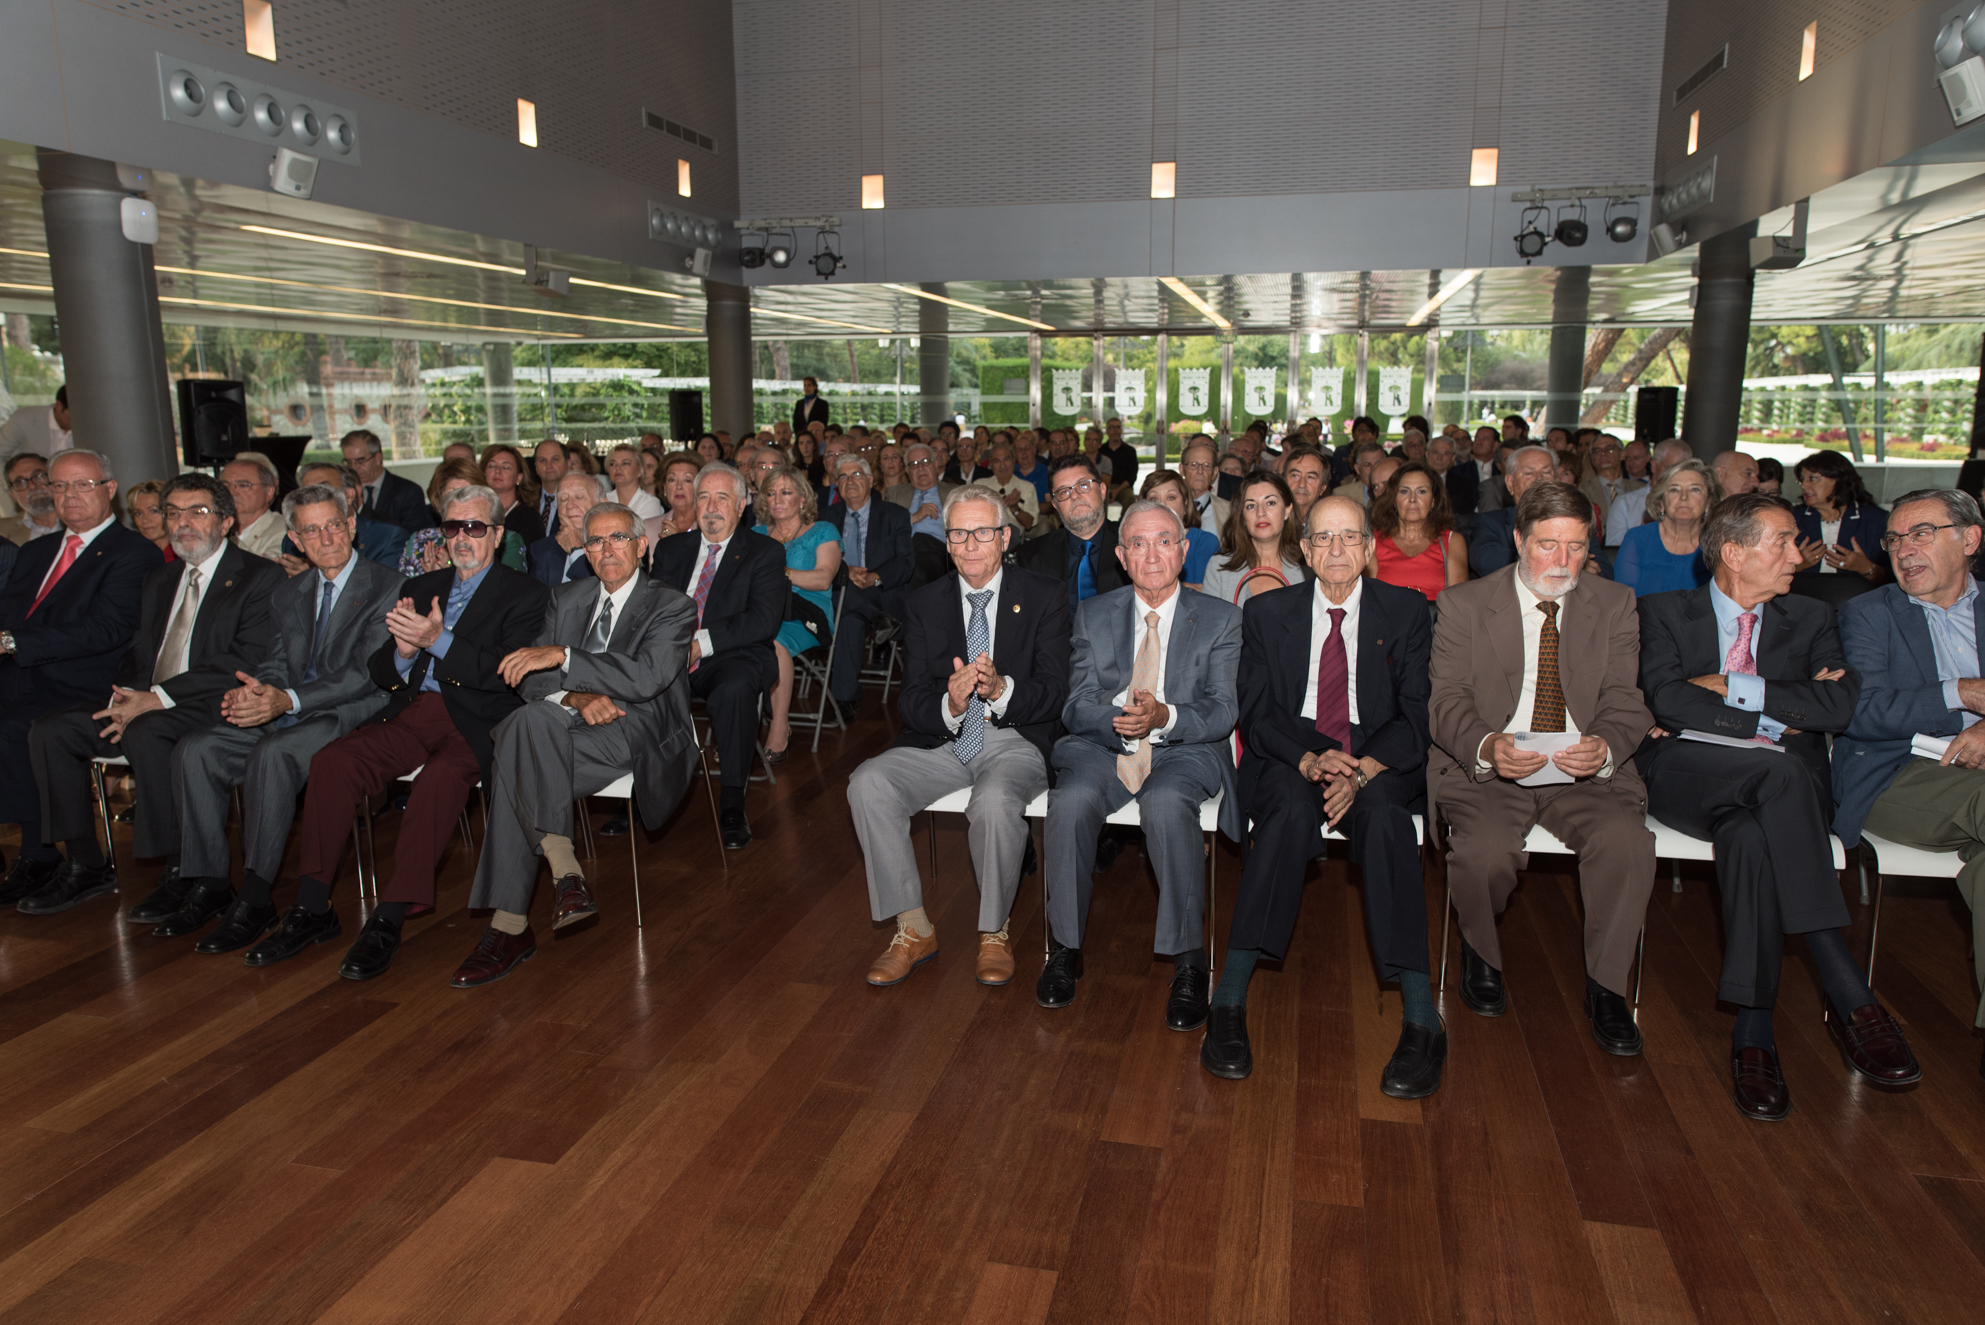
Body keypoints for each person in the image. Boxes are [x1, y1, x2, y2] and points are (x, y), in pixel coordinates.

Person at [1637, 491, 1917, 1116]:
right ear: (1734, 553)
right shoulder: (1661, 611)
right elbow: (1666, 700)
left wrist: (1734, 685)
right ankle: (1847, 988)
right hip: (1690, 773)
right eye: (1784, 541)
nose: (1799, 554)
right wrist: (1777, 713)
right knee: (1779, 766)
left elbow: (1837, 707)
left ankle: (1753, 1029)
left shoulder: (1811, 617)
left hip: (1774, 788)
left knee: (1749, 835)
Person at [1206, 494, 1441, 1092]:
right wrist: (1310, 758)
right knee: (1287, 812)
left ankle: (1422, 1018)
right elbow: (1257, 715)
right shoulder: (1267, 612)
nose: (1337, 549)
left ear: (1369, 548)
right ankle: (1228, 1000)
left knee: (1386, 819)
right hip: (1295, 747)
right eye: (1324, 538)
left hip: (1376, 751)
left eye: (1350, 537)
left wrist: (1361, 770)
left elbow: (1417, 715)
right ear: (1305, 551)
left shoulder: (1407, 611)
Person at [284, 485, 548, 981]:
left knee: (437, 782)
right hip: (411, 711)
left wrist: (437, 640)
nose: (462, 537)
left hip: (478, 719)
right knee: (332, 762)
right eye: (452, 527)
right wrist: (404, 655)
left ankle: (387, 918)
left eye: (474, 527)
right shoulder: (424, 585)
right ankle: (313, 905)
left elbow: (504, 674)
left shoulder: (526, 593)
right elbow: (380, 670)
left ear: (497, 535)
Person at [1429, 481, 1657, 1055]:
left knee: (1627, 843)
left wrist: (1604, 745)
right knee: (1484, 852)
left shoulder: (1615, 603)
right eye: (1548, 545)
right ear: (1518, 540)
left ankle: (1607, 986)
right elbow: (1446, 701)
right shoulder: (1464, 604)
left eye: (1576, 547)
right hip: (1495, 761)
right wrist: (1488, 745)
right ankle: (1481, 952)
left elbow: (1625, 698)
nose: (1563, 561)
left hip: (1580, 765)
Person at [20, 473, 283, 918]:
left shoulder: (259, 576)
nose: (183, 522)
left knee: (147, 731)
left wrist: (156, 698)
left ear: (225, 522)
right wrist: (126, 699)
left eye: (198, 512)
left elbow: (242, 660)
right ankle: (85, 863)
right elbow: (140, 651)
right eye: (173, 512)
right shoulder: (160, 579)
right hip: (149, 702)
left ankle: (182, 869)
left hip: (214, 703)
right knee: (52, 731)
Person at [462, 502, 698, 986]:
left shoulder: (672, 605)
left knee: (515, 754)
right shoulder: (565, 597)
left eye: (618, 538)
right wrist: (574, 695)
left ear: (641, 545)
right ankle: (565, 876)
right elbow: (529, 677)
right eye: (595, 540)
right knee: (531, 723)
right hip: (561, 720)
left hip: (634, 727)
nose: (606, 549)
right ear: (585, 551)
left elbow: (646, 678)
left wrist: (566, 657)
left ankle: (510, 926)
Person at [166, 481, 404, 957]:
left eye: (333, 525)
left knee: (273, 754)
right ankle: (211, 883)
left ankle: (256, 898)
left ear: (351, 525)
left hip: (352, 710)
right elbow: (275, 661)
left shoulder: (389, 586)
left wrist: (287, 700)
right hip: (289, 707)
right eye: (311, 531)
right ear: (294, 539)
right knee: (197, 749)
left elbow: (364, 673)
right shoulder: (290, 590)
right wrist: (258, 693)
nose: (326, 538)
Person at [849, 486, 1069, 987]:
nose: (970, 545)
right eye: (958, 534)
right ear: (946, 542)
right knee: (868, 782)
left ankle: (993, 930)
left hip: (1014, 737)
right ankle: (913, 928)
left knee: (993, 801)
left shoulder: (1044, 595)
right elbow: (910, 700)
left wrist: (1002, 689)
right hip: (944, 739)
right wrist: (949, 704)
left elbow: (1058, 691)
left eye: (982, 532)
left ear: (1005, 537)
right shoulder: (924, 602)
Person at [1037, 500, 1242, 1030]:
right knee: (1070, 801)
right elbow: (1075, 704)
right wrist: (1119, 721)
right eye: (1138, 544)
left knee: (1167, 803)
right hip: (1104, 746)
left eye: (1163, 541)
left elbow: (1223, 710)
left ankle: (1189, 961)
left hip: (1184, 746)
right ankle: (1064, 948)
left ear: (1184, 550)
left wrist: (1163, 716)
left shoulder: (1221, 618)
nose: (1151, 555)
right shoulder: (1093, 614)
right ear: (1122, 557)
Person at [1833, 489, 1985, 1078]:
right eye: (1894, 539)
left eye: (1921, 533)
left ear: (1970, 540)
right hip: (1899, 774)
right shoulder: (1870, 613)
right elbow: (1862, 712)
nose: (1902, 550)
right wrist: (1961, 693)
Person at [0, 450, 160, 897]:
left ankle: (47, 854)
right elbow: (10, 617)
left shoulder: (135, 553)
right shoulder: (35, 552)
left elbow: (106, 629)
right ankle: (37, 853)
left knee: (15, 728)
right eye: (60, 485)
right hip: (23, 674)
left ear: (109, 489)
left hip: (85, 682)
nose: (70, 495)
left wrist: (12, 643)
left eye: (83, 485)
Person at [651, 463, 786, 849]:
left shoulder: (764, 552)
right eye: (704, 497)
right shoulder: (672, 549)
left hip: (731, 653)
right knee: (635, 681)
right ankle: (642, 794)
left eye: (722, 498)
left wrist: (699, 643)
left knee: (736, 688)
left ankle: (731, 803)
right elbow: (653, 608)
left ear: (741, 505)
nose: (711, 507)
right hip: (670, 653)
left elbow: (762, 620)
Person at [753, 465, 841, 759]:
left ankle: (779, 724)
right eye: (770, 493)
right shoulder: (755, 534)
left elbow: (823, 578)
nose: (777, 499)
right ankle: (740, 728)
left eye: (786, 492)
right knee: (735, 637)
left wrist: (781, 572)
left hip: (806, 615)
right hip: (764, 610)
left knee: (772, 641)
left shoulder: (823, 531)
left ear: (802, 498)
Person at [822, 455, 911, 720]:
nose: (850, 481)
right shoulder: (826, 518)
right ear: (837, 484)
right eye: (843, 476)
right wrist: (844, 571)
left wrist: (874, 577)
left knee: (849, 614)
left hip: (880, 591)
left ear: (871, 480)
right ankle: (877, 619)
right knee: (846, 606)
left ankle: (845, 699)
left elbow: (905, 563)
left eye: (857, 475)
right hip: (837, 589)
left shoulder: (895, 514)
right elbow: (817, 559)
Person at [1015, 457, 1128, 611]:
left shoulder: (1132, 545)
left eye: (1083, 485)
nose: (1074, 495)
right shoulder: (1033, 557)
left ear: (1102, 490)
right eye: (1064, 491)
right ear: (1055, 504)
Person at [1615, 458, 1718, 597]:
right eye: (1674, 490)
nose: (1684, 497)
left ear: (1708, 502)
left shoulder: (1718, 543)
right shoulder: (1638, 539)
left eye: (1695, 489)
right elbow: (1624, 600)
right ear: (1662, 501)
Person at [282, 462, 409, 572]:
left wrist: (312, 577)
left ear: (349, 495)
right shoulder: (294, 540)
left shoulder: (387, 536)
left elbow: (386, 585)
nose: (316, 501)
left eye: (325, 490)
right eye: (306, 494)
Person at [1203, 473, 1305, 606]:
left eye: (1270, 503)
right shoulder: (1219, 568)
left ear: (1287, 511)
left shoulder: (1307, 568)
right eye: (1251, 506)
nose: (1260, 513)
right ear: (1242, 517)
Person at [1370, 460, 1467, 601]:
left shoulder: (1453, 541)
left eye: (1422, 491)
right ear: (1394, 500)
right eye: (1404, 491)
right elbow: (1368, 601)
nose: (1412, 499)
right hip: (1386, 615)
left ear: (1433, 501)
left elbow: (1458, 603)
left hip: (1436, 615)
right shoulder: (1373, 541)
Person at [1792, 450, 1887, 587]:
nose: (1803, 485)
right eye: (1801, 480)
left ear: (1838, 480)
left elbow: (1894, 578)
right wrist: (1797, 566)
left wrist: (1866, 568)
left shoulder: (1876, 520)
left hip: (1858, 597)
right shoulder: (1793, 518)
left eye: (1812, 478)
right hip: (1802, 597)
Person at [1468, 445, 1561, 577]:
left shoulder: (1576, 521)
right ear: (1510, 483)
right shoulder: (1489, 523)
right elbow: (1486, 561)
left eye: (1546, 472)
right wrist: (1555, 558)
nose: (1539, 479)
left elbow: (1593, 564)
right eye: (1529, 473)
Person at [887, 443, 957, 587]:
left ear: (935, 464)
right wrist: (913, 518)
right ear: (907, 470)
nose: (920, 468)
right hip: (901, 549)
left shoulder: (955, 492)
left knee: (916, 573)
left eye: (925, 461)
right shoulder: (894, 494)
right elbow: (886, 529)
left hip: (935, 549)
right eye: (914, 464)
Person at [1605, 438, 1691, 549]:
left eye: (1684, 471)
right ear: (1654, 465)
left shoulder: (1691, 505)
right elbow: (1614, 550)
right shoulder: (1625, 504)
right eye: (1672, 469)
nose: (1679, 476)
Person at [1140, 470, 1220, 589]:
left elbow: (1205, 592)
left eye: (1171, 497)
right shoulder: (1138, 545)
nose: (1162, 505)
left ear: (1185, 503)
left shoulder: (1205, 542)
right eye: (1154, 499)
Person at [343, 429, 433, 532]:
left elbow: (411, 535)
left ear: (377, 458)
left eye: (360, 461)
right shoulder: (344, 492)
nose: (353, 467)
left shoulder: (408, 492)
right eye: (348, 463)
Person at [527, 473, 601, 589]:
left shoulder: (614, 545)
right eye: (563, 499)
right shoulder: (543, 550)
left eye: (579, 497)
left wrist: (576, 551)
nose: (570, 505)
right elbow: (536, 598)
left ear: (602, 504)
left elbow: (599, 592)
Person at [222, 452, 287, 562]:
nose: (231, 492)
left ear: (269, 492)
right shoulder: (212, 526)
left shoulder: (285, 529)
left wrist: (223, 538)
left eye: (243, 485)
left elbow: (266, 568)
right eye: (225, 485)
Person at [0, 382, 70, 481]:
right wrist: (13, 484)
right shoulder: (23, 419)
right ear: (58, 405)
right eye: (72, 415)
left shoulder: (88, 428)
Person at [480, 443, 545, 546]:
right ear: (484, 473)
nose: (497, 471)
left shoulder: (529, 518)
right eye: (492, 466)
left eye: (506, 467)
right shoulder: (476, 512)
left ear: (519, 477)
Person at [982, 439, 1040, 538]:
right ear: (991, 464)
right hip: (984, 533)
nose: (1002, 465)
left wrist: (1015, 508)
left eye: (1006, 459)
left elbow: (1028, 524)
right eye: (997, 461)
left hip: (1011, 537)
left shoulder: (1027, 487)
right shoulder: (980, 486)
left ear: (1014, 461)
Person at [1578, 433, 1642, 520]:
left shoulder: (1640, 489)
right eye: (1597, 451)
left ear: (1622, 454)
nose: (1603, 454)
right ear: (1592, 459)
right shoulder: (1582, 491)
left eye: (1609, 449)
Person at [1, 453, 60, 546]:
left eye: (38, 476)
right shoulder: (2, 531)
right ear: (12, 494)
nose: (32, 486)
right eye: (20, 482)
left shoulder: (80, 519)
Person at [603, 441, 666, 523]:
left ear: (639, 470)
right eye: (612, 464)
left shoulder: (650, 503)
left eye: (625, 463)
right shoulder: (602, 499)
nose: (618, 468)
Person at [1427, 431, 1475, 535]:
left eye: (1445, 453)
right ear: (1427, 454)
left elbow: (1466, 517)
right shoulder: (1413, 481)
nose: (1439, 457)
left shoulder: (1464, 484)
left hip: (1453, 533)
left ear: (1453, 458)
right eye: (1435, 452)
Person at [1178, 438, 1228, 533]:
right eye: (1193, 465)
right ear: (1181, 469)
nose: (1200, 471)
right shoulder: (1169, 506)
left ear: (1215, 472)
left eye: (1207, 465)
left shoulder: (1228, 511)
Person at [125, 479, 174, 562]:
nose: (145, 520)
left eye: (153, 511)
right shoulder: (130, 557)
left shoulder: (185, 555)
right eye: (138, 513)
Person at [657, 451, 701, 540]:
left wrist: (677, 540)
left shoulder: (709, 526)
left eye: (687, 480)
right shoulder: (649, 526)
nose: (679, 487)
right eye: (672, 480)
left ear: (700, 486)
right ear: (664, 487)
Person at [1283, 447, 1330, 527]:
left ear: (1322, 488)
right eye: (1295, 475)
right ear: (1283, 480)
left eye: (1311, 477)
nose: (1302, 484)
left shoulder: (1330, 525)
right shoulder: (1269, 520)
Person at [1329, 441, 1383, 506]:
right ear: (1357, 469)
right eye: (1367, 465)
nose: (1373, 469)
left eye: (1378, 464)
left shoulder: (1393, 491)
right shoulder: (1342, 494)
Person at [531, 439, 569, 531]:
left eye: (555, 459)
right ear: (536, 467)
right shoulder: (527, 500)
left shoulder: (579, 501)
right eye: (542, 460)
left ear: (568, 464)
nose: (548, 465)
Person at [1467, 426, 1504, 513]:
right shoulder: (1459, 471)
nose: (1479, 442)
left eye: (1484, 439)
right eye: (1476, 438)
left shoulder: (1501, 470)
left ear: (1495, 445)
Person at [1099, 417, 1139, 493]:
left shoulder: (1130, 451)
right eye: (1112, 427)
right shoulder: (1100, 450)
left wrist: (1117, 491)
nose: (1115, 430)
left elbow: (1132, 477)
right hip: (1103, 487)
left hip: (1123, 488)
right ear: (1107, 431)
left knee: (1129, 498)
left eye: (1118, 427)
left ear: (1121, 430)